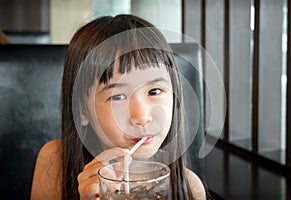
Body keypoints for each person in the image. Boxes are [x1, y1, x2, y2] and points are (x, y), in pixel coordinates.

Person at [31, 14, 208, 200]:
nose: (142, 117)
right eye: (118, 96)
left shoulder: (190, 187)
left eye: (154, 91)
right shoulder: (56, 163)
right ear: (82, 110)